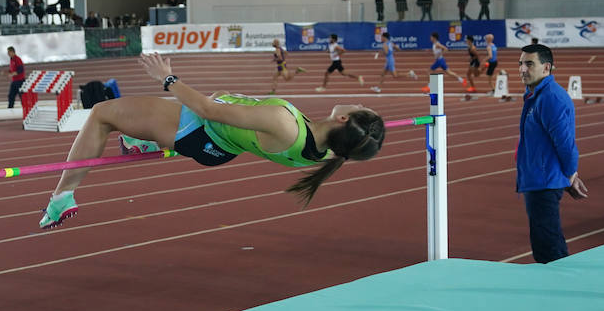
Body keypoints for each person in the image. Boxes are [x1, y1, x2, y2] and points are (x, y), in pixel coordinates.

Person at [38, 53, 386, 229]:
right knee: (132, 121)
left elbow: (206, 107)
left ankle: (61, 195)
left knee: (101, 113)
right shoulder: (324, 151)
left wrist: (167, 77)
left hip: (195, 126)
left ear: (344, 118)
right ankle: (143, 141)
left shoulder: (285, 123)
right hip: (216, 147)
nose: (356, 103)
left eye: (359, 107)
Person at [516, 43, 586, 264]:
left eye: (529, 64)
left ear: (546, 68)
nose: (522, 69)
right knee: (544, 244)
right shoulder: (535, 95)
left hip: (544, 182)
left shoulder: (550, 98)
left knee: (549, 249)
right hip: (538, 179)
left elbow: (565, 144)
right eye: (520, 64)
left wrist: (570, 175)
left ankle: (563, 290)